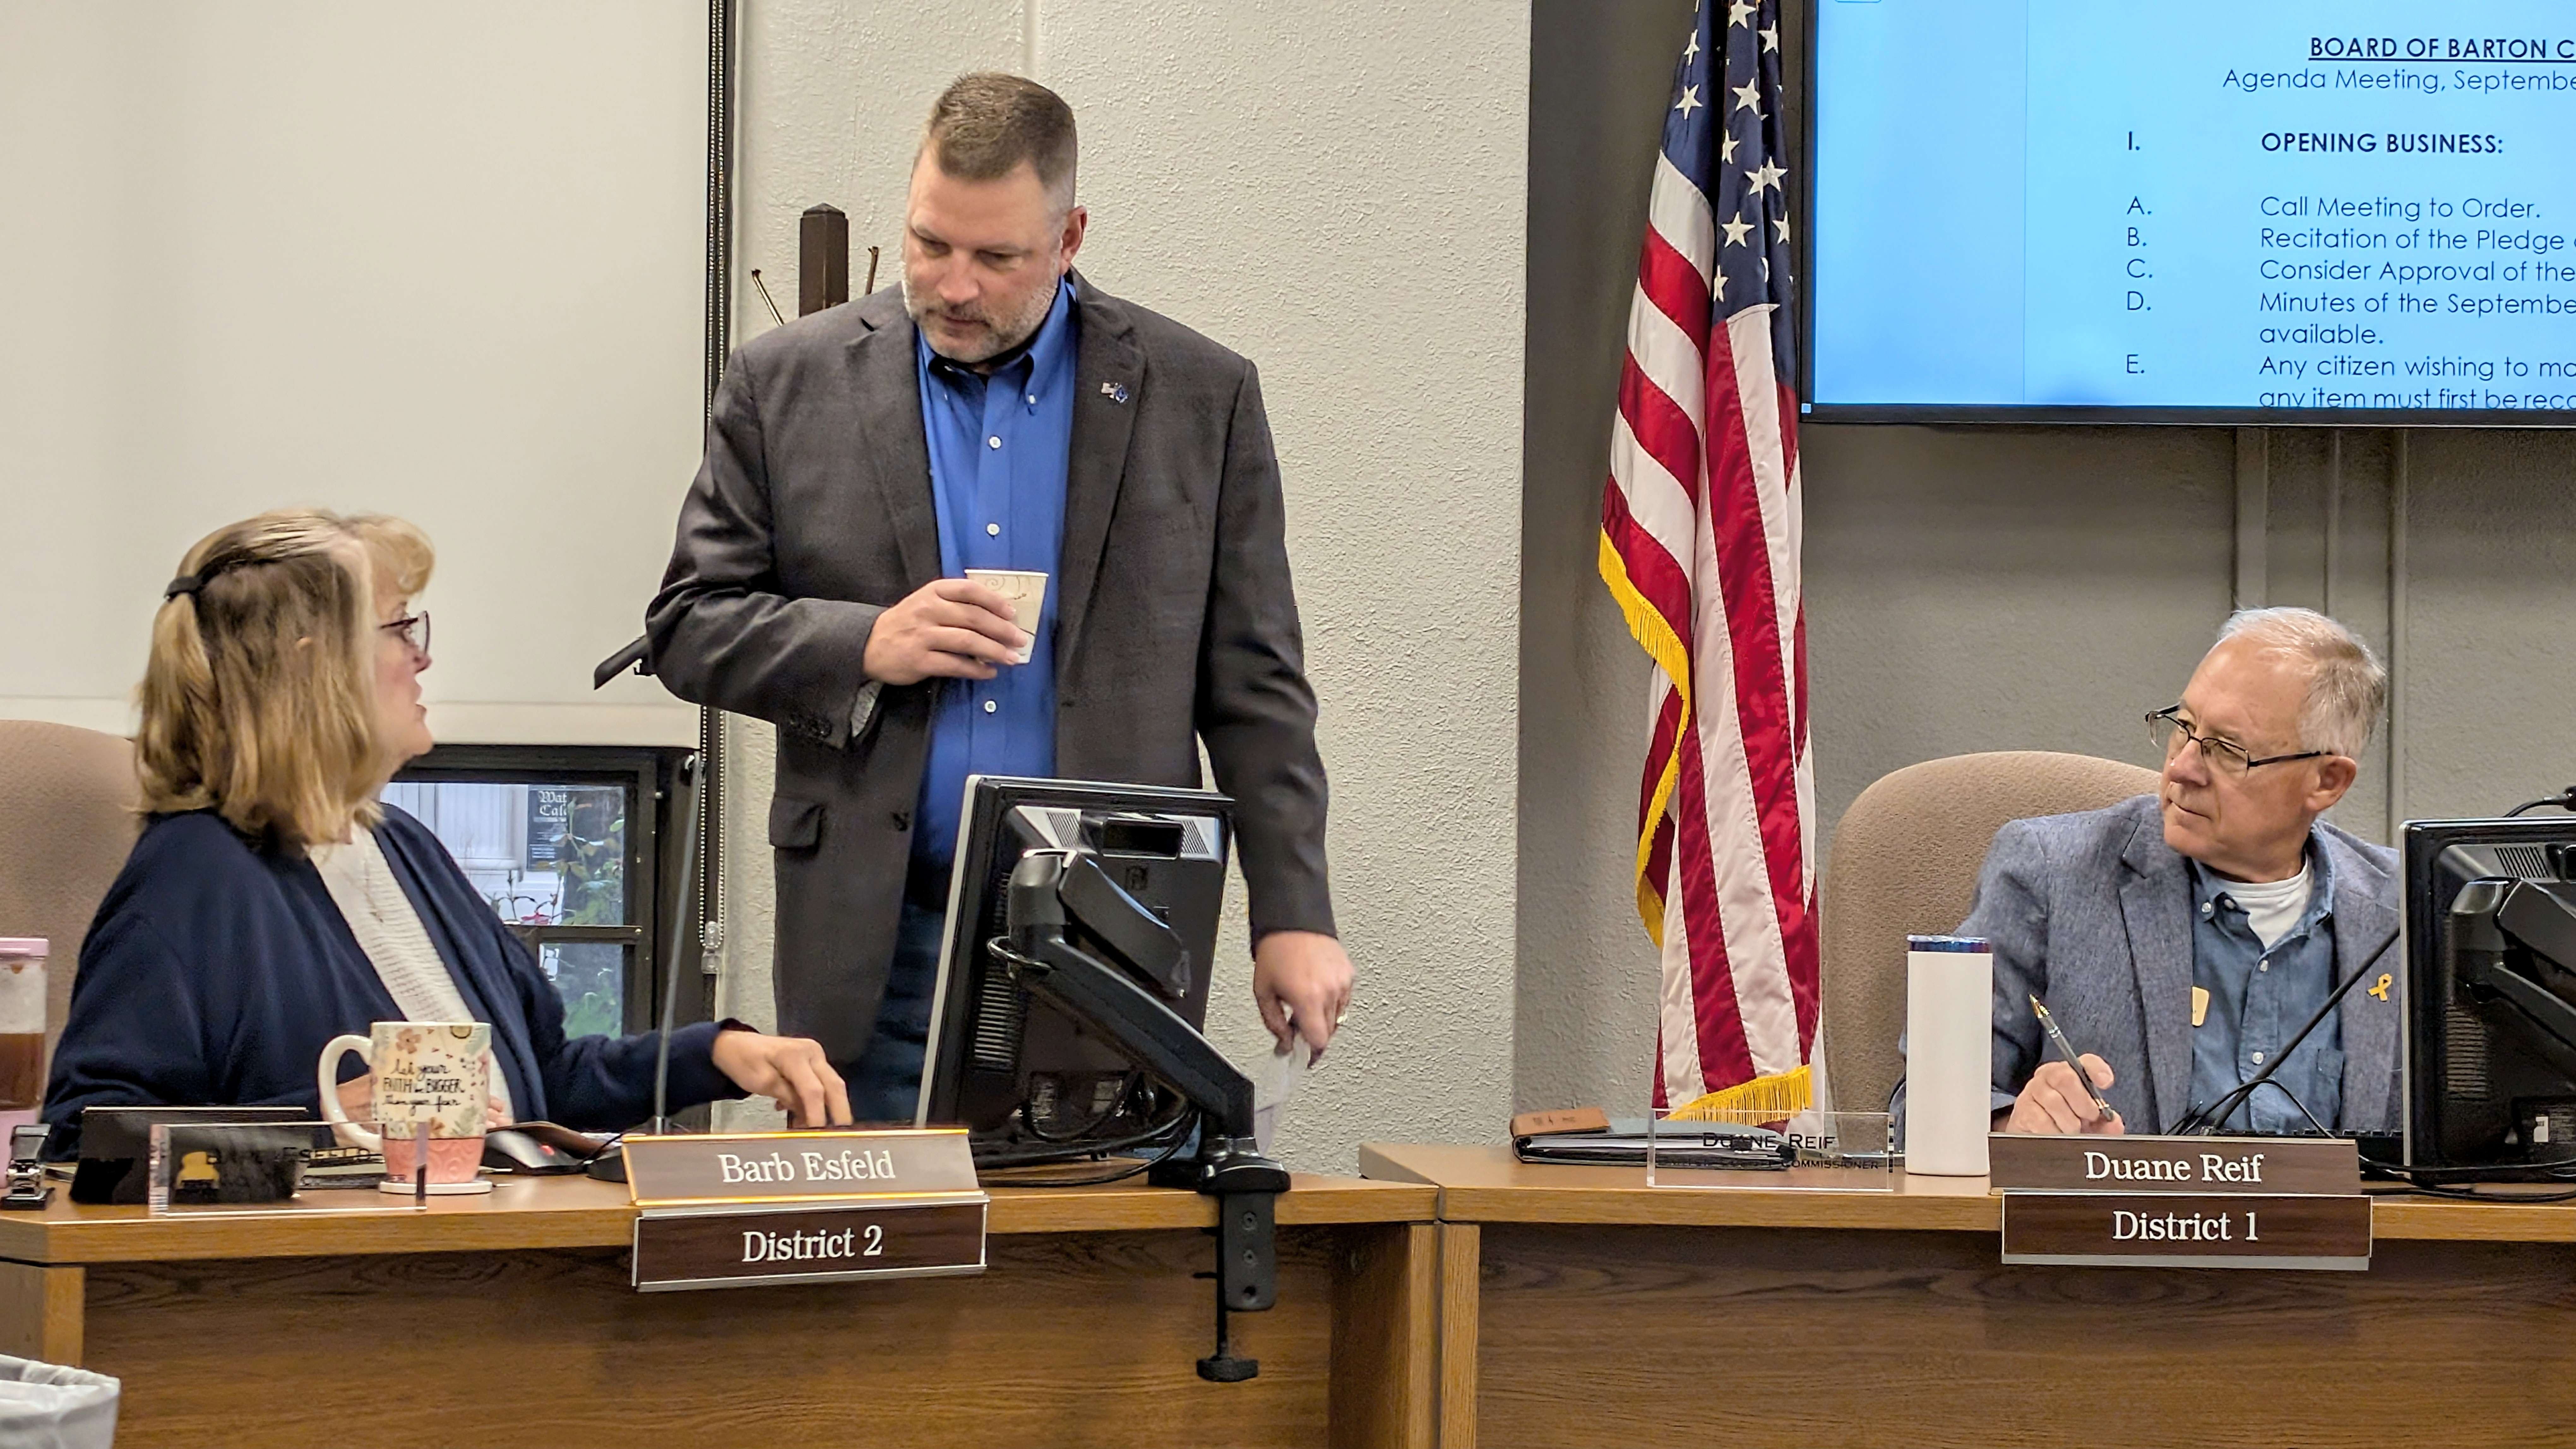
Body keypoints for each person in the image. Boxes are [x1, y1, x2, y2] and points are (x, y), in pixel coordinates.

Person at [647, 73, 1352, 1118]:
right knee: (879, 1267)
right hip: (876, 940)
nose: (953, 285)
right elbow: (687, 625)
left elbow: (1256, 682)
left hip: (1110, 933)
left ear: (1069, 238)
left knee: (1092, 1267)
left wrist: (1292, 911)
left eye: (997, 257)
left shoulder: (1199, 394)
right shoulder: (785, 386)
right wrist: (864, 644)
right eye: (931, 244)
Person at [42, 509, 850, 1152]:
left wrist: (715, 1055)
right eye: (399, 630)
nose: (422, 660)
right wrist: (329, 1121)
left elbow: (540, 1079)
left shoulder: (401, 846)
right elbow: (90, 1139)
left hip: (483, 1265)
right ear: (310, 666)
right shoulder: (193, 874)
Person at [1899, 607, 2400, 1139]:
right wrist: (2011, 1127)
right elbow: (1921, 1113)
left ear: (2326, 781)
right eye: (2183, 728)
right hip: (2120, 1221)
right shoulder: (2051, 873)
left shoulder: (2402, 913)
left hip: (2334, 1226)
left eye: (2227, 751)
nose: (2181, 767)